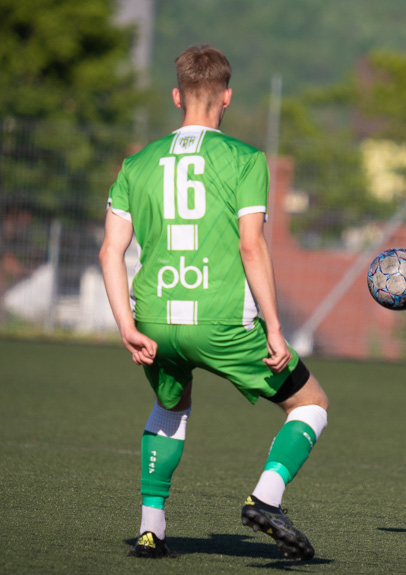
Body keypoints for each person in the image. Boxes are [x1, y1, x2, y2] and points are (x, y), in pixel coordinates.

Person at [100, 44, 328, 561]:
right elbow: (252, 245)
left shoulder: (137, 163)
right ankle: (267, 498)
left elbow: (110, 251)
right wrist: (273, 325)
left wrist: (125, 326)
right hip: (221, 320)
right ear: (226, 96)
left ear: (177, 95)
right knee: (311, 404)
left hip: (154, 318)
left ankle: (151, 529)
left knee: (170, 405)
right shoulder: (246, 160)